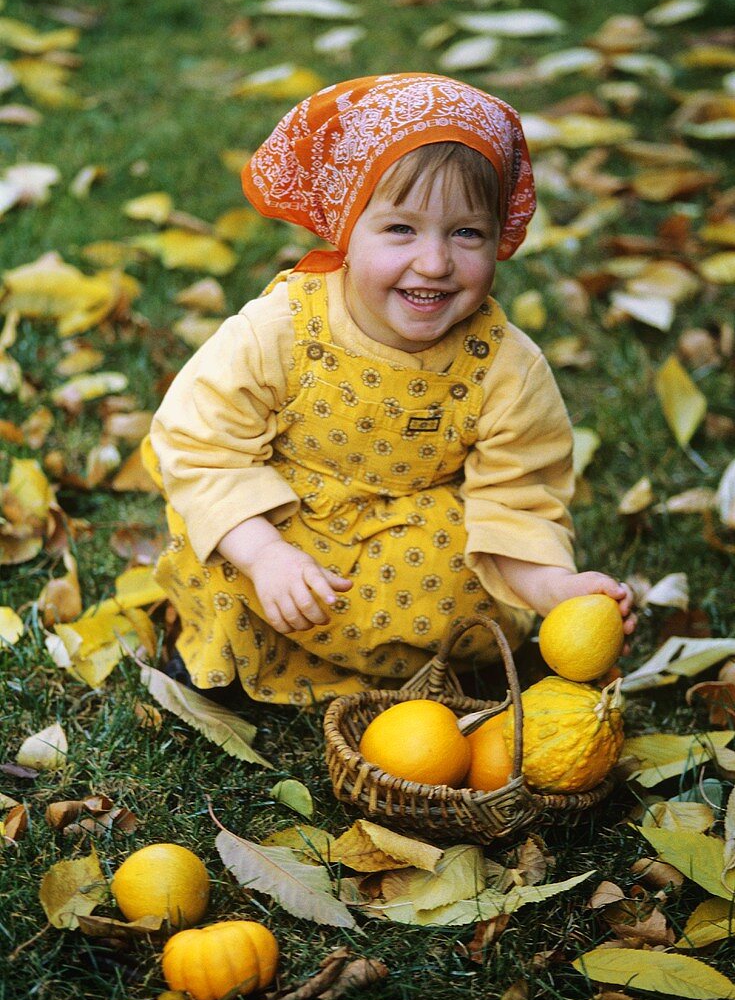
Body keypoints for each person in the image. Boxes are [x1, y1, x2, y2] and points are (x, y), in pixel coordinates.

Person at [144, 73, 635, 706]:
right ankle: (245, 653)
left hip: (414, 549)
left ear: (498, 239)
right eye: (400, 229)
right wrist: (265, 554)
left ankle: (443, 667)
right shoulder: (280, 329)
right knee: (215, 535)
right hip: (283, 526)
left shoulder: (507, 367)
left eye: (467, 234)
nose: (434, 262)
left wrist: (550, 589)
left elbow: (517, 497)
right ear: (347, 228)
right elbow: (200, 441)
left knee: (465, 571)